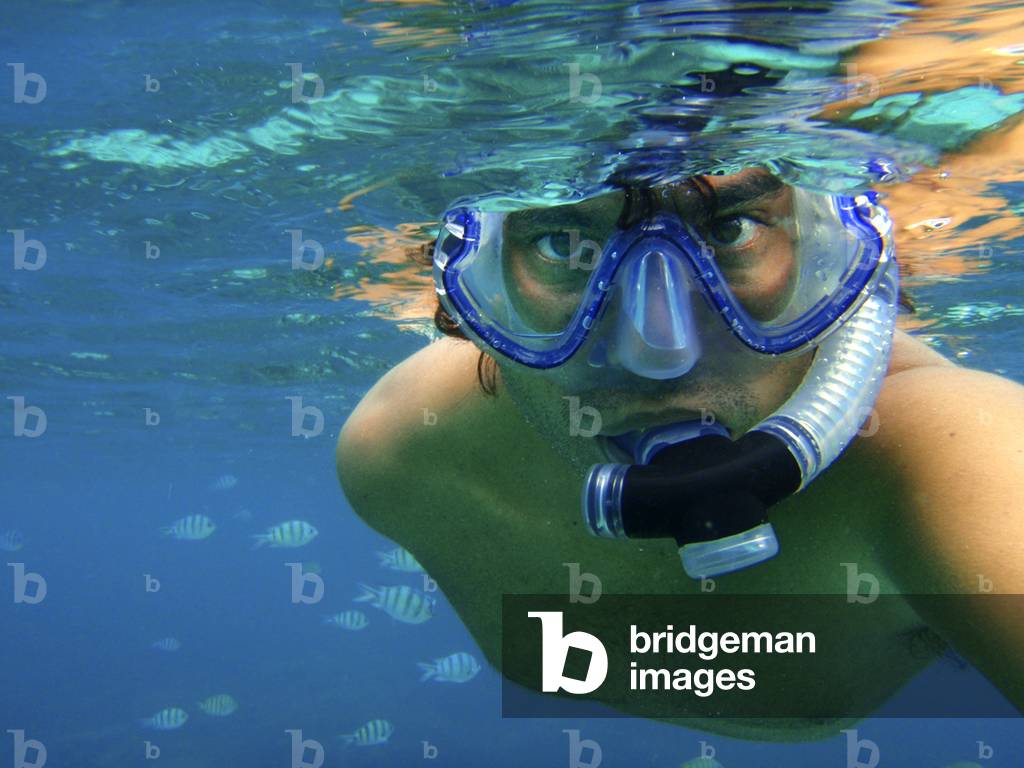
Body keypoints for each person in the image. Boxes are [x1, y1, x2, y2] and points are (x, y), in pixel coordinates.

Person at [336, 166, 1024, 741]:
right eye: (560, 240)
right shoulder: (400, 452)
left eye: (731, 229)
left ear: (834, 258)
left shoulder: (945, 455)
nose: (658, 350)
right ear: (468, 294)